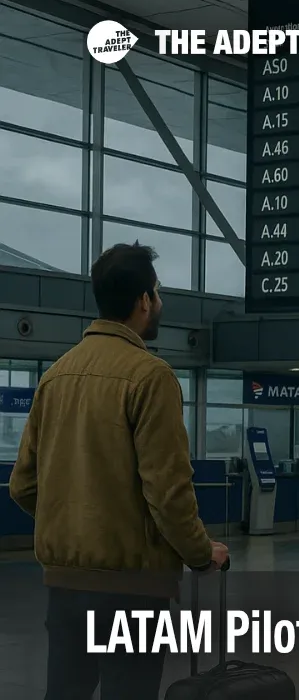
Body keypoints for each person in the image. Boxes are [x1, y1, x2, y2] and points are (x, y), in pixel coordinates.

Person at [10, 243, 229, 700]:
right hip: (134, 590)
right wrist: (200, 555)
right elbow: (168, 493)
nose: (160, 303)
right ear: (144, 301)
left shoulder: (55, 377)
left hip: (66, 587)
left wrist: (77, 526)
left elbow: (23, 485)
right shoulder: (151, 378)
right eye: (158, 293)